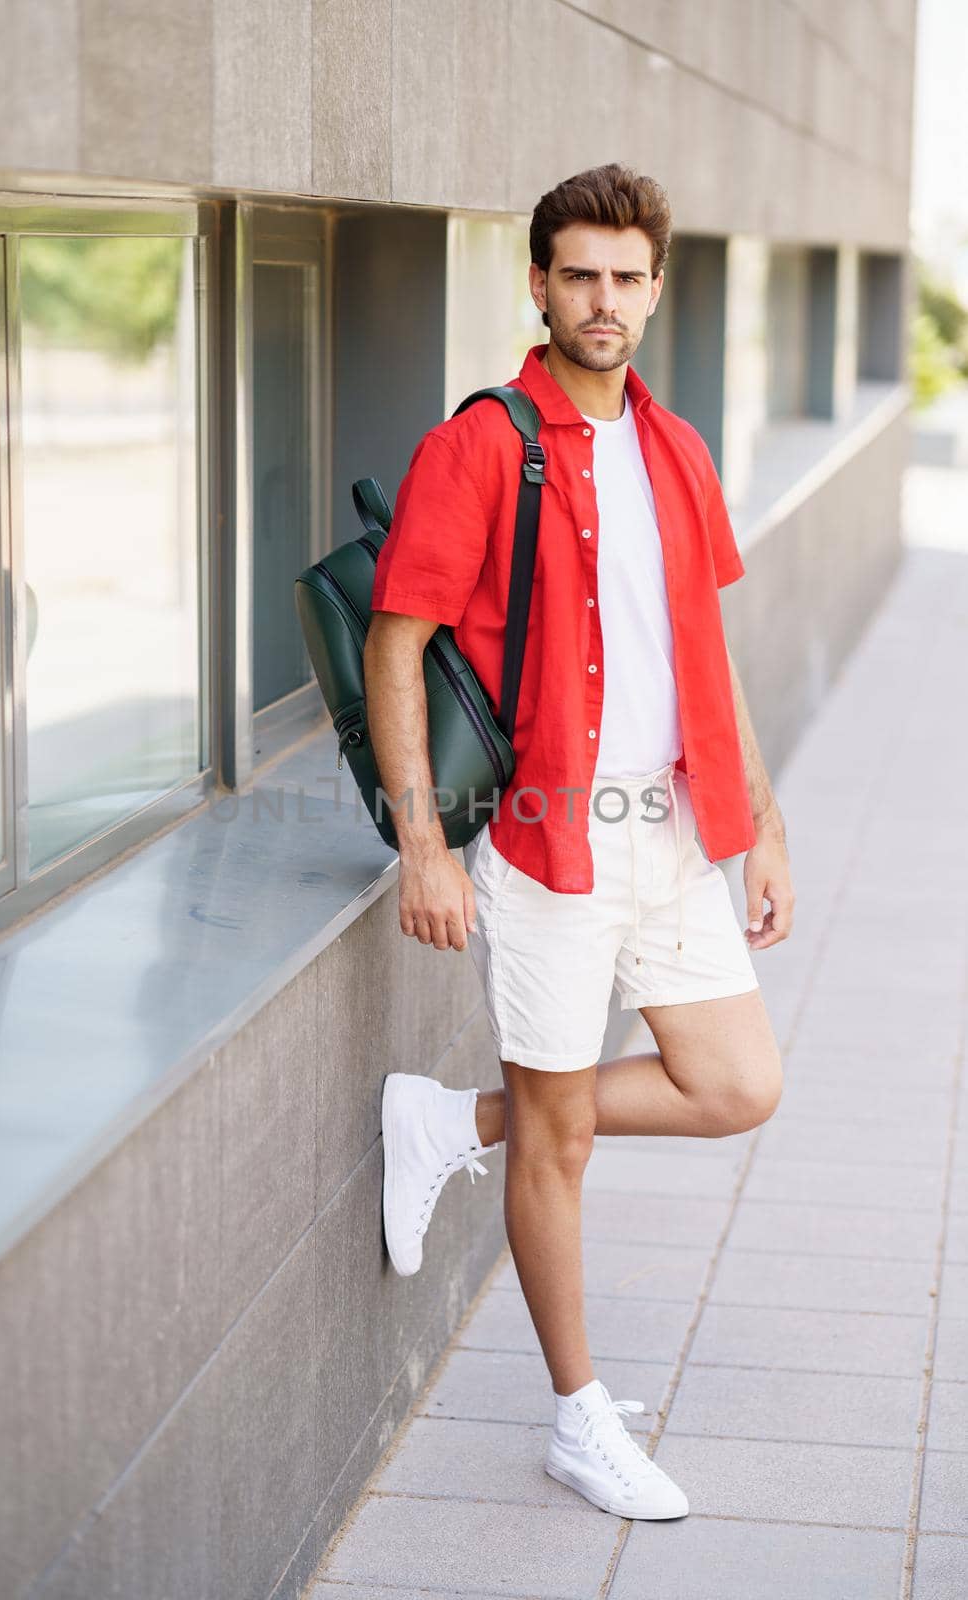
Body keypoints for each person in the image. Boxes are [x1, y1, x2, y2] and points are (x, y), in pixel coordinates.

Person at [363, 162, 792, 1522]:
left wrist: (761, 826)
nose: (603, 301)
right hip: (545, 849)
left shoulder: (674, 447)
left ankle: (453, 1122)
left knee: (736, 1085)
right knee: (562, 1151)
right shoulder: (484, 442)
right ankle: (574, 1416)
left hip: (670, 838)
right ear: (539, 285)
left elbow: (705, 659)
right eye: (578, 276)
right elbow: (398, 642)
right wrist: (423, 848)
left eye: (627, 278)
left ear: (657, 291)